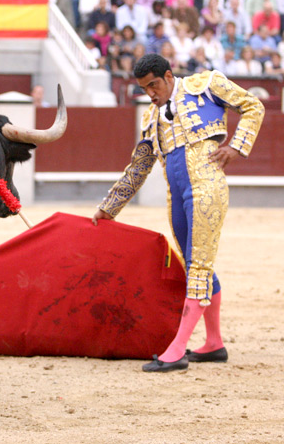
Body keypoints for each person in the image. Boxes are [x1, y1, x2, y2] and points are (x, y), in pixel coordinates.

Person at [92, 54, 265, 372]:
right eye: (145, 89)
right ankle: (213, 343)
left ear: (169, 76)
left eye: (154, 85)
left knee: (198, 265)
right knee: (194, 263)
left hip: (206, 188)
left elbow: (253, 105)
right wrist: (108, 208)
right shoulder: (151, 118)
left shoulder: (207, 85)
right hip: (178, 197)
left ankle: (177, 348)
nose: (151, 94)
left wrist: (236, 146)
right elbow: (138, 168)